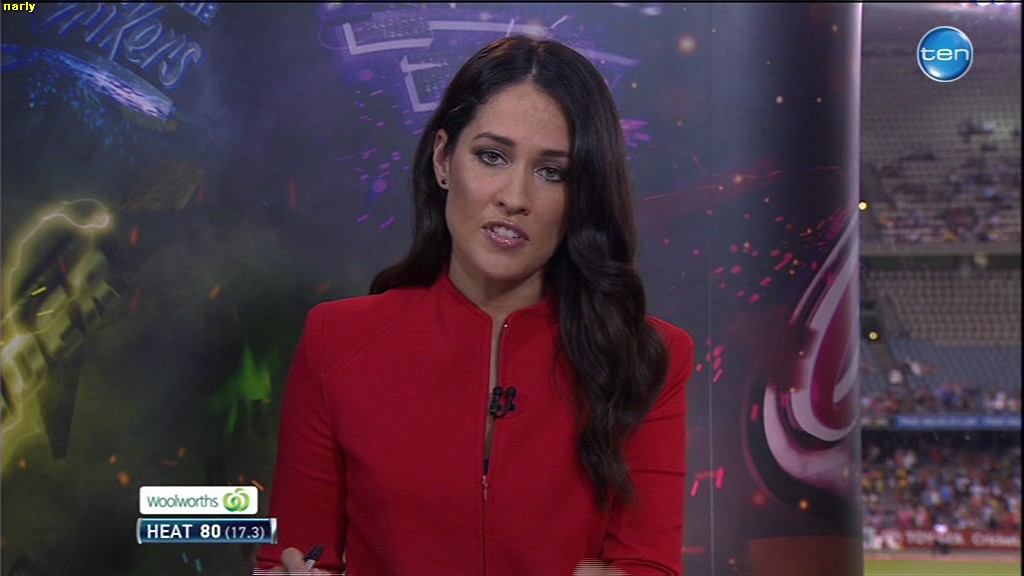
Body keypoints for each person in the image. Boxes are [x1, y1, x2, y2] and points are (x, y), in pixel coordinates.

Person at [254, 35, 694, 576]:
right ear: (443, 159)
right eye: (492, 156)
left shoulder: (647, 358)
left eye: (552, 172)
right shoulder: (336, 341)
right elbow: (294, 558)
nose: (515, 197)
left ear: (583, 193)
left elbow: (648, 566)